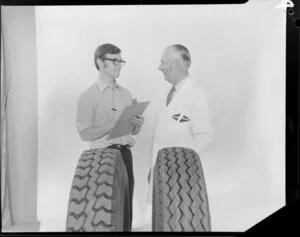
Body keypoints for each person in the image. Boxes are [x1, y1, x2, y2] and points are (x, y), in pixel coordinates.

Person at [76, 43, 144, 231]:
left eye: (120, 61)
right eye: (114, 60)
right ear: (100, 62)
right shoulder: (88, 96)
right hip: (101, 157)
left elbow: (131, 132)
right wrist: (109, 125)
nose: (118, 65)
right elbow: (84, 133)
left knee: (125, 207)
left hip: (125, 154)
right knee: (104, 208)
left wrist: (137, 125)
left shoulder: (126, 94)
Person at [146, 44, 214, 204]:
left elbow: (205, 137)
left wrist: (181, 165)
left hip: (183, 176)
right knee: (162, 217)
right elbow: (159, 137)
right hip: (161, 172)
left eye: (163, 62)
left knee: (180, 219)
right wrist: (153, 167)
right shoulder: (166, 95)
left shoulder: (197, 95)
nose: (159, 67)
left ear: (176, 64)